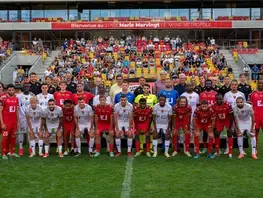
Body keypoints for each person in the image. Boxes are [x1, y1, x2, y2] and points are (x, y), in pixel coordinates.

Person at [0, 84, 19, 159]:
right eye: (9, 90)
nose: (11, 91)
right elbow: (0, 111)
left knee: (13, 137)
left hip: (14, 122)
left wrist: (18, 121)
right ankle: (4, 153)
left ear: (14, 90)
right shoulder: (3, 98)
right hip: (6, 122)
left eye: (12, 90)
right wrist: (2, 123)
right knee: (5, 137)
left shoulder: (16, 98)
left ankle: (12, 152)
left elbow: (17, 110)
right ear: (7, 90)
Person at [212, 93, 234, 158]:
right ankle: (217, 151)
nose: (219, 100)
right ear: (215, 99)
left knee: (229, 133)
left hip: (227, 120)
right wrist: (214, 126)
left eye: (220, 99)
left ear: (223, 99)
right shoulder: (213, 105)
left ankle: (230, 152)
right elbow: (213, 116)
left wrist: (230, 126)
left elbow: (231, 116)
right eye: (217, 99)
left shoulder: (227, 105)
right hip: (219, 121)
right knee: (217, 133)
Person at [16, 87, 34, 156]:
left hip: (30, 117)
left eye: (28, 87)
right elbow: (17, 107)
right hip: (21, 117)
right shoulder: (18, 96)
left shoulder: (32, 95)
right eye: (25, 87)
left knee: (30, 132)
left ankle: (30, 148)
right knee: (21, 132)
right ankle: (21, 148)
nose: (26, 89)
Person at [248, 79, 263, 149]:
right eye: (259, 83)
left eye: (262, 83)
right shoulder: (252, 94)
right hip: (256, 117)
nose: (261, 84)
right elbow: (249, 106)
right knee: (256, 133)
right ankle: (255, 148)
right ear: (257, 84)